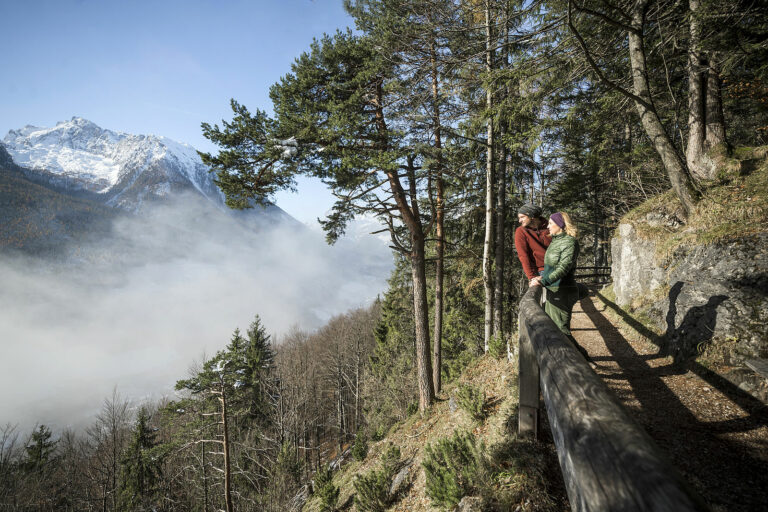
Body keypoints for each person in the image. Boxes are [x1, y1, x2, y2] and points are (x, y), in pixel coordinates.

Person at [530, 212, 591, 361]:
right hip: (554, 290)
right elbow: (551, 267)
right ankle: (575, 360)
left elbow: (564, 268)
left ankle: (582, 362)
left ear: (561, 225)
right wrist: (542, 277)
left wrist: (543, 282)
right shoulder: (556, 241)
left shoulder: (570, 242)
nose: (548, 226)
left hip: (562, 291)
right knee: (556, 329)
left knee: (561, 331)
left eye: (551, 223)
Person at [514, 203, 550, 286]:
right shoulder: (521, 231)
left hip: (559, 268)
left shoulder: (550, 226)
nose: (519, 221)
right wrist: (532, 277)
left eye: (522, 217)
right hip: (541, 271)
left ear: (532, 216)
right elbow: (523, 255)